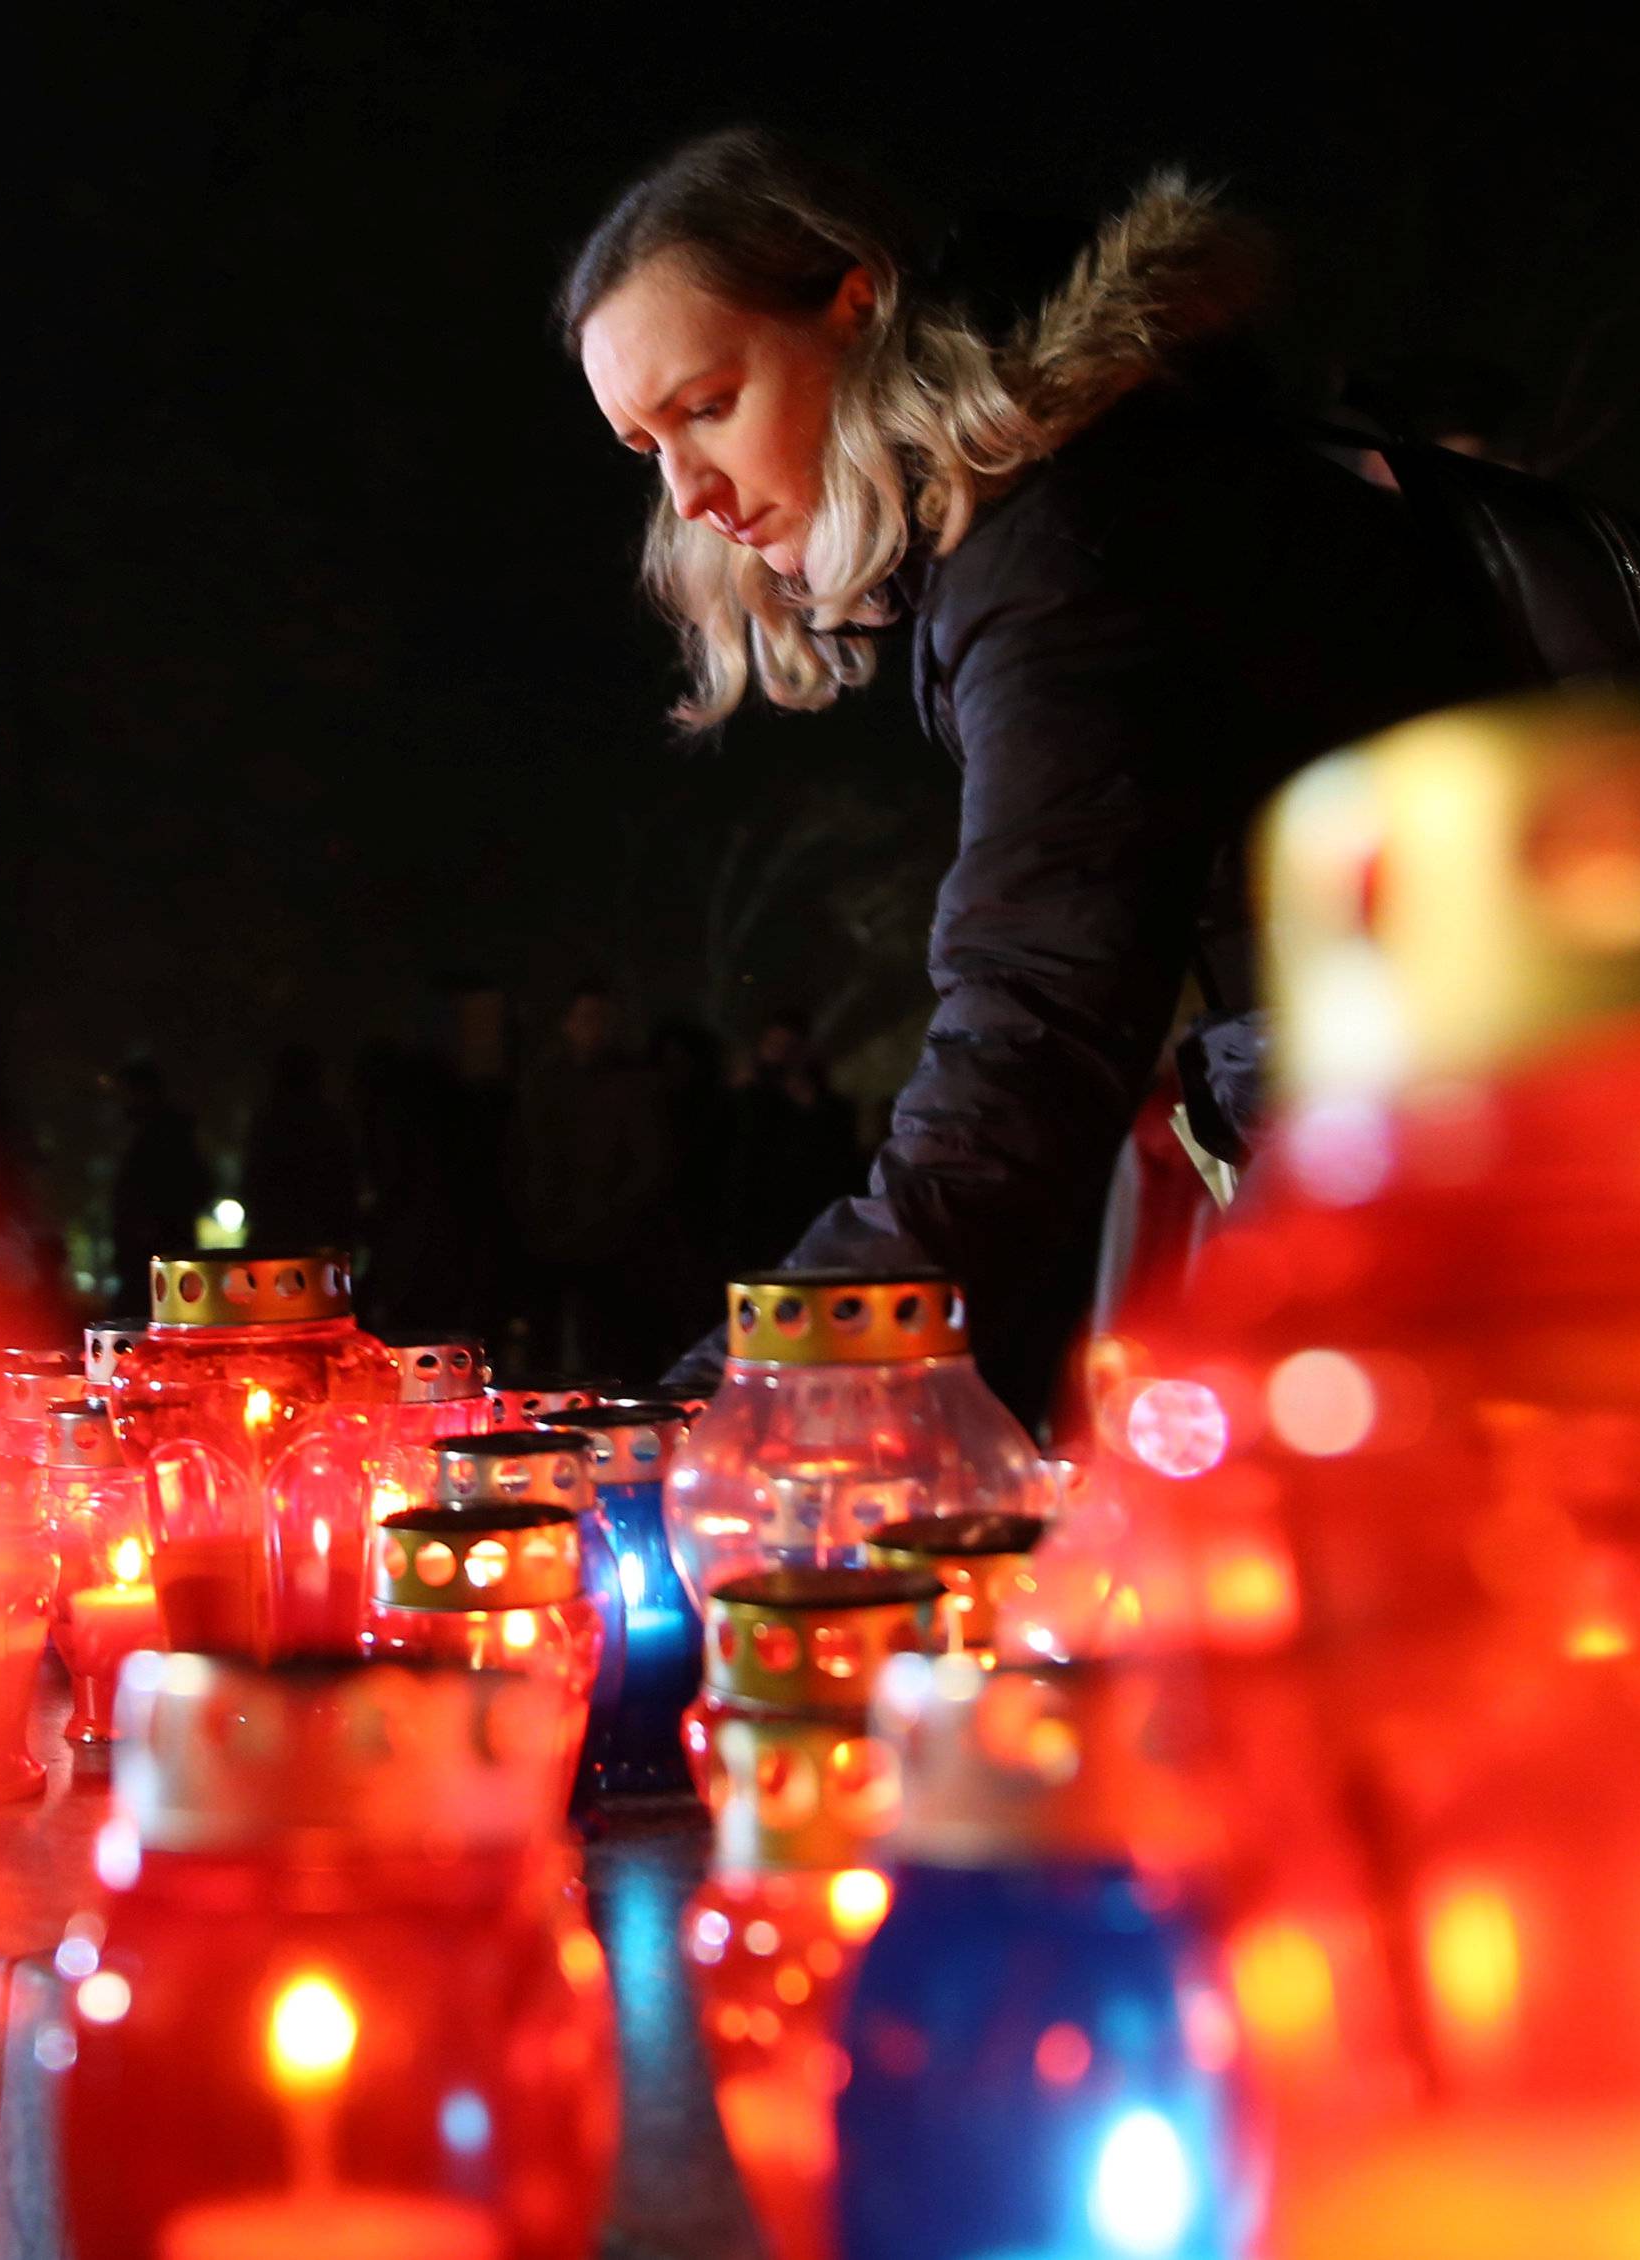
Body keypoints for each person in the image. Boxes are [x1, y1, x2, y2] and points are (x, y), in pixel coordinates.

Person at [561, 129, 1571, 1424]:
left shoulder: (1062, 549)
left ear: (857, 309)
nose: (691, 490)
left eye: (708, 404)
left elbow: (1032, 1031)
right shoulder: (1080, 496)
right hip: (1477, 1148)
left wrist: (751, 1391)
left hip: (1496, 1182)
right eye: (647, 447)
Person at [504, 981, 673, 1378]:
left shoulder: (633, 1084)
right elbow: (523, 1155)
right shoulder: (543, 1083)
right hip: (549, 1233)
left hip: (612, 1240)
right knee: (546, 1343)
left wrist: (615, 1214)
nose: (593, 1028)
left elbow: (651, 1161)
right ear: (567, 1024)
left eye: (601, 1019)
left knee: (608, 1344)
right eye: (585, 1018)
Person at [724, 1008, 860, 1271]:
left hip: (802, 1220)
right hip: (750, 1221)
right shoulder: (743, 1099)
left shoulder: (829, 1107)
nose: (780, 1056)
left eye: (790, 1048)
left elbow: (837, 1164)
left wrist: (809, 1108)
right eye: (773, 1046)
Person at [240, 1043, 359, 1254]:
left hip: (278, 1236)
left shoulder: (269, 1124)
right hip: (320, 1238)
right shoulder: (330, 1123)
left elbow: (253, 1181)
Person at [110, 1057, 210, 1304]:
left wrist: (149, 1226)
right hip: (157, 1251)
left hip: (155, 1252)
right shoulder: (165, 1133)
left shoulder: (160, 1137)